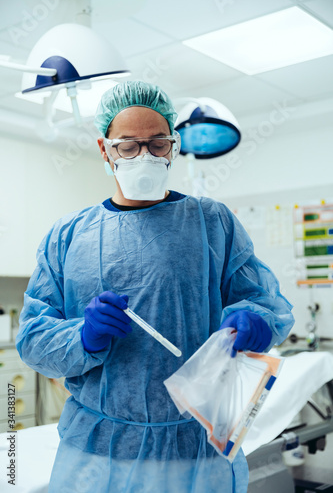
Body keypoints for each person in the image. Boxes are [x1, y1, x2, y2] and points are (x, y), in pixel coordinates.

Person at [16, 80, 294, 493]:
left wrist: (256, 320)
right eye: (127, 146)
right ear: (105, 150)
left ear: (174, 146)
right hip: (97, 451)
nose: (143, 156)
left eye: (157, 144)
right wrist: (83, 338)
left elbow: (263, 301)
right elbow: (34, 338)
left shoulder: (211, 223)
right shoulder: (69, 236)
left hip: (195, 449)